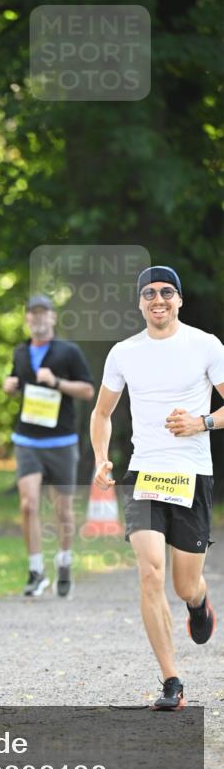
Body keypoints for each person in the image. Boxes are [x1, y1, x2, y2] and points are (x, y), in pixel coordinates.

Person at [91, 265, 224, 710]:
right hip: (144, 474)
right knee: (150, 573)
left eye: (167, 291)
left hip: (191, 475)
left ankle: (199, 601)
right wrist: (101, 457)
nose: (158, 299)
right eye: (149, 293)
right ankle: (172, 681)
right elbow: (102, 413)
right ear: (140, 303)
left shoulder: (205, 345)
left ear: (180, 299)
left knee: (184, 583)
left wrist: (202, 421)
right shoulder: (124, 353)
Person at [3, 295, 95, 598]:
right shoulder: (20, 351)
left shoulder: (69, 352)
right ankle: (35, 571)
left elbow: (87, 390)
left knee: (64, 511)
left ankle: (64, 562)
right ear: (27, 318)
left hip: (62, 442)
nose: (38, 319)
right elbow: (18, 384)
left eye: (44, 314)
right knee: (28, 504)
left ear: (53, 318)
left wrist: (57, 382)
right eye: (33, 314)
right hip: (27, 441)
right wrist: (10, 386)